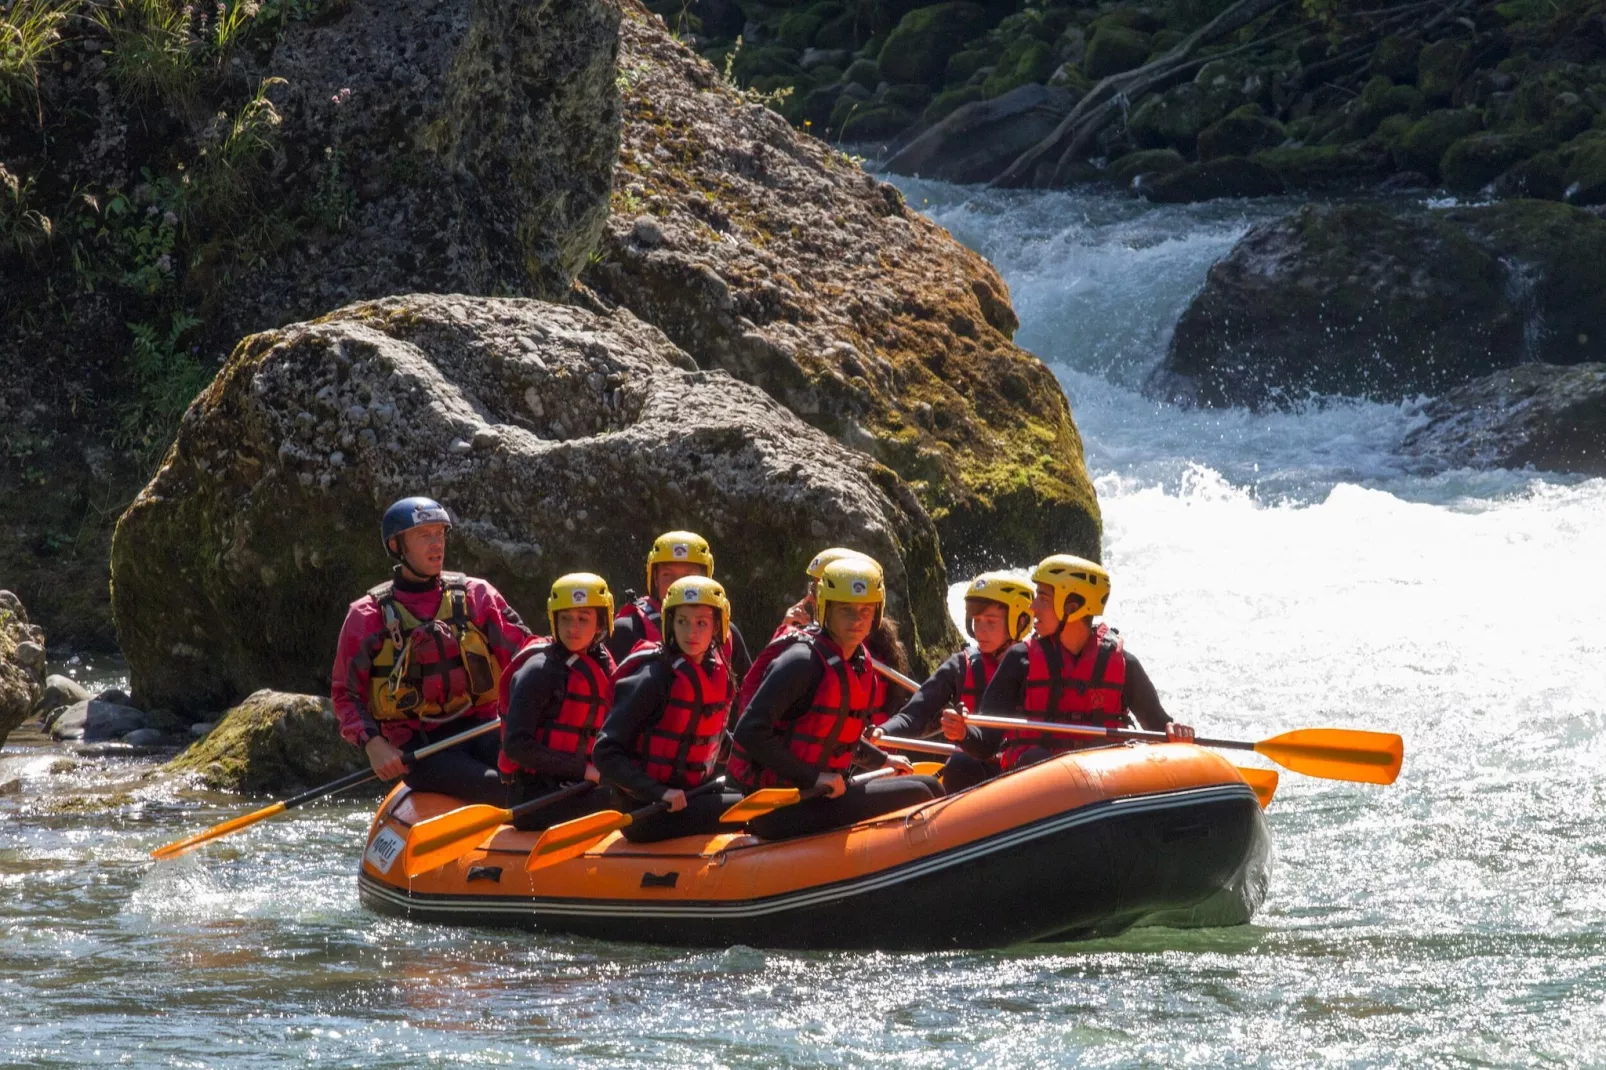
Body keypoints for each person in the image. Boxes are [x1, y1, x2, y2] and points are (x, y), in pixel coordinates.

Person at [332, 497, 530, 804]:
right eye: (424, 536)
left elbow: (526, 657)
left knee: (539, 775)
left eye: (439, 534)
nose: (436, 544)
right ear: (397, 546)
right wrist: (373, 745)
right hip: (422, 749)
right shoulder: (367, 616)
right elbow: (346, 694)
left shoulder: (477, 595)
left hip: (485, 728)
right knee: (502, 789)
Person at [728, 556, 941, 840]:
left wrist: (882, 761)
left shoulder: (857, 661)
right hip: (785, 805)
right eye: (846, 610)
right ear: (826, 608)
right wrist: (813, 778)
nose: (857, 619)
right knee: (918, 793)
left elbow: (834, 734)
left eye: (866, 610)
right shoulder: (801, 661)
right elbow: (748, 731)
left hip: (823, 794)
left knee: (929, 785)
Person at [956, 555, 1194, 774]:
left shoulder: (1123, 664)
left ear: (1072, 606)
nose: (1033, 606)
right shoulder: (1020, 660)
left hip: (1104, 781)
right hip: (1034, 785)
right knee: (1034, 759)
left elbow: (1159, 728)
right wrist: (962, 733)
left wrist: (1175, 732)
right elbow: (985, 742)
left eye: (1043, 598)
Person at [592, 576, 745, 842]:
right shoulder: (652, 677)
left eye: (701, 623)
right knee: (751, 812)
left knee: (757, 797)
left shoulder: (712, 670)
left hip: (691, 795)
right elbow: (605, 753)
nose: (691, 633)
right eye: (682, 621)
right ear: (670, 624)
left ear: (717, 628)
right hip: (648, 810)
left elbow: (711, 739)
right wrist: (658, 792)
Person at [871, 571, 1035, 793]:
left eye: (991, 622)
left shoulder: (1038, 663)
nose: (980, 630)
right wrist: (882, 733)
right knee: (961, 764)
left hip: (1026, 772)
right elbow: (915, 714)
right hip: (976, 769)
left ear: (1020, 620)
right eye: (976, 620)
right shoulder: (961, 666)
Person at [497, 573, 622, 830]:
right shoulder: (539, 671)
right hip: (535, 798)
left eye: (582, 619)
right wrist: (584, 771)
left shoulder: (603, 664)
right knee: (623, 803)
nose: (572, 628)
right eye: (565, 618)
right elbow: (516, 747)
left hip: (580, 786)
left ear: (601, 623)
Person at [733, 546, 870, 723]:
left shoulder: (859, 644)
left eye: (817, 590)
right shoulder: (803, 645)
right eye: (813, 588)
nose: (810, 598)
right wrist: (785, 634)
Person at [607, 530, 751, 684]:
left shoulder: (724, 632)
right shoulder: (626, 630)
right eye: (668, 575)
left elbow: (749, 696)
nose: (678, 585)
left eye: (688, 575)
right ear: (655, 579)